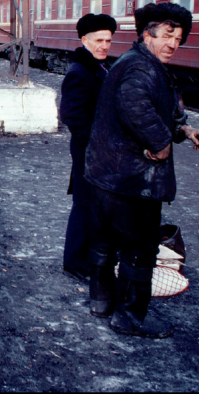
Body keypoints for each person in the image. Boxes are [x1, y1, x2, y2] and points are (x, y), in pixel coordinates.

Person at [84, 2, 199, 339]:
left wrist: (182, 130)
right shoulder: (142, 68)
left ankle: (101, 301)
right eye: (167, 35)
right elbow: (135, 103)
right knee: (140, 250)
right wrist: (160, 140)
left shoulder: (135, 62)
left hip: (107, 174)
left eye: (178, 39)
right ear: (147, 33)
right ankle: (130, 317)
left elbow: (155, 106)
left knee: (105, 242)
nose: (173, 44)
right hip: (133, 181)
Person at [58, 14, 117, 283]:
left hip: (101, 151)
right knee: (83, 204)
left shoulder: (99, 67)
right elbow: (72, 116)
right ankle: (74, 262)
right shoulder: (79, 72)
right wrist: (95, 143)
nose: (104, 45)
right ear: (84, 40)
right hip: (87, 151)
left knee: (96, 205)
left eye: (108, 40)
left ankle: (87, 257)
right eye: (99, 40)